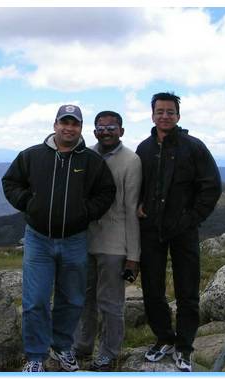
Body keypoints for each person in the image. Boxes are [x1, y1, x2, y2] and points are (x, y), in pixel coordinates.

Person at [2, 104, 116, 372]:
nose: (69, 128)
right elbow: (10, 182)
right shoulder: (32, 155)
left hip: (75, 239)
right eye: (64, 122)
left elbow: (106, 191)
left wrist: (86, 212)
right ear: (55, 125)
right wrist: (28, 203)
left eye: (74, 123)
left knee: (72, 299)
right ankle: (35, 356)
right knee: (35, 300)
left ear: (80, 128)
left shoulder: (91, 160)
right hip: (38, 239)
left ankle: (62, 347)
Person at [136, 92, 222, 372]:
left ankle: (184, 347)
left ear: (178, 116)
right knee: (152, 288)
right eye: (159, 111)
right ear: (152, 115)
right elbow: (137, 184)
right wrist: (138, 204)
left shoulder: (194, 147)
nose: (164, 116)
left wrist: (192, 218)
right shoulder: (144, 148)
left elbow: (211, 186)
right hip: (150, 230)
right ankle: (164, 338)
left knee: (187, 291)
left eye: (170, 112)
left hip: (184, 231)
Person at [73, 110, 142, 371]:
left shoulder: (131, 160)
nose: (106, 131)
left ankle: (110, 352)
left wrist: (134, 255)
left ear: (121, 131)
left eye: (112, 127)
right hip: (84, 241)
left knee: (111, 303)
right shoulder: (86, 154)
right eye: (101, 127)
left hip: (114, 243)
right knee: (84, 298)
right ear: (94, 132)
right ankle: (82, 346)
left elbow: (132, 209)